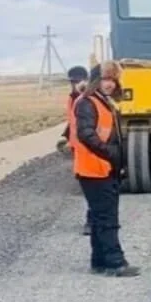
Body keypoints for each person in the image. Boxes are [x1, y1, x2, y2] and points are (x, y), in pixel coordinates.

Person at [71, 61, 140, 277]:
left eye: (112, 79)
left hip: (101, 168)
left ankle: (99, 261)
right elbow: (86, 134)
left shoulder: (102, 102)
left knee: (101, 217)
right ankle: (115, 263)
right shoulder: (88, 103)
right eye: (105, 79)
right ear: (95, 81)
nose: (109, 84)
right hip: (95, 168)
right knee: (108, 219)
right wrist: (111, 153)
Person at [58, 65, 92, 236]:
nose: (75, 84)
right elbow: (73, 122)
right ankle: (94, 219)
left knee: (93, 188)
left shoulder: (90, 99)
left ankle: (92, 221)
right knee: (86, 187)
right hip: (78, 150)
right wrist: (66, 137)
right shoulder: (73, 98)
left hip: (91, 151)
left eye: (78, 81)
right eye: (72, 82)